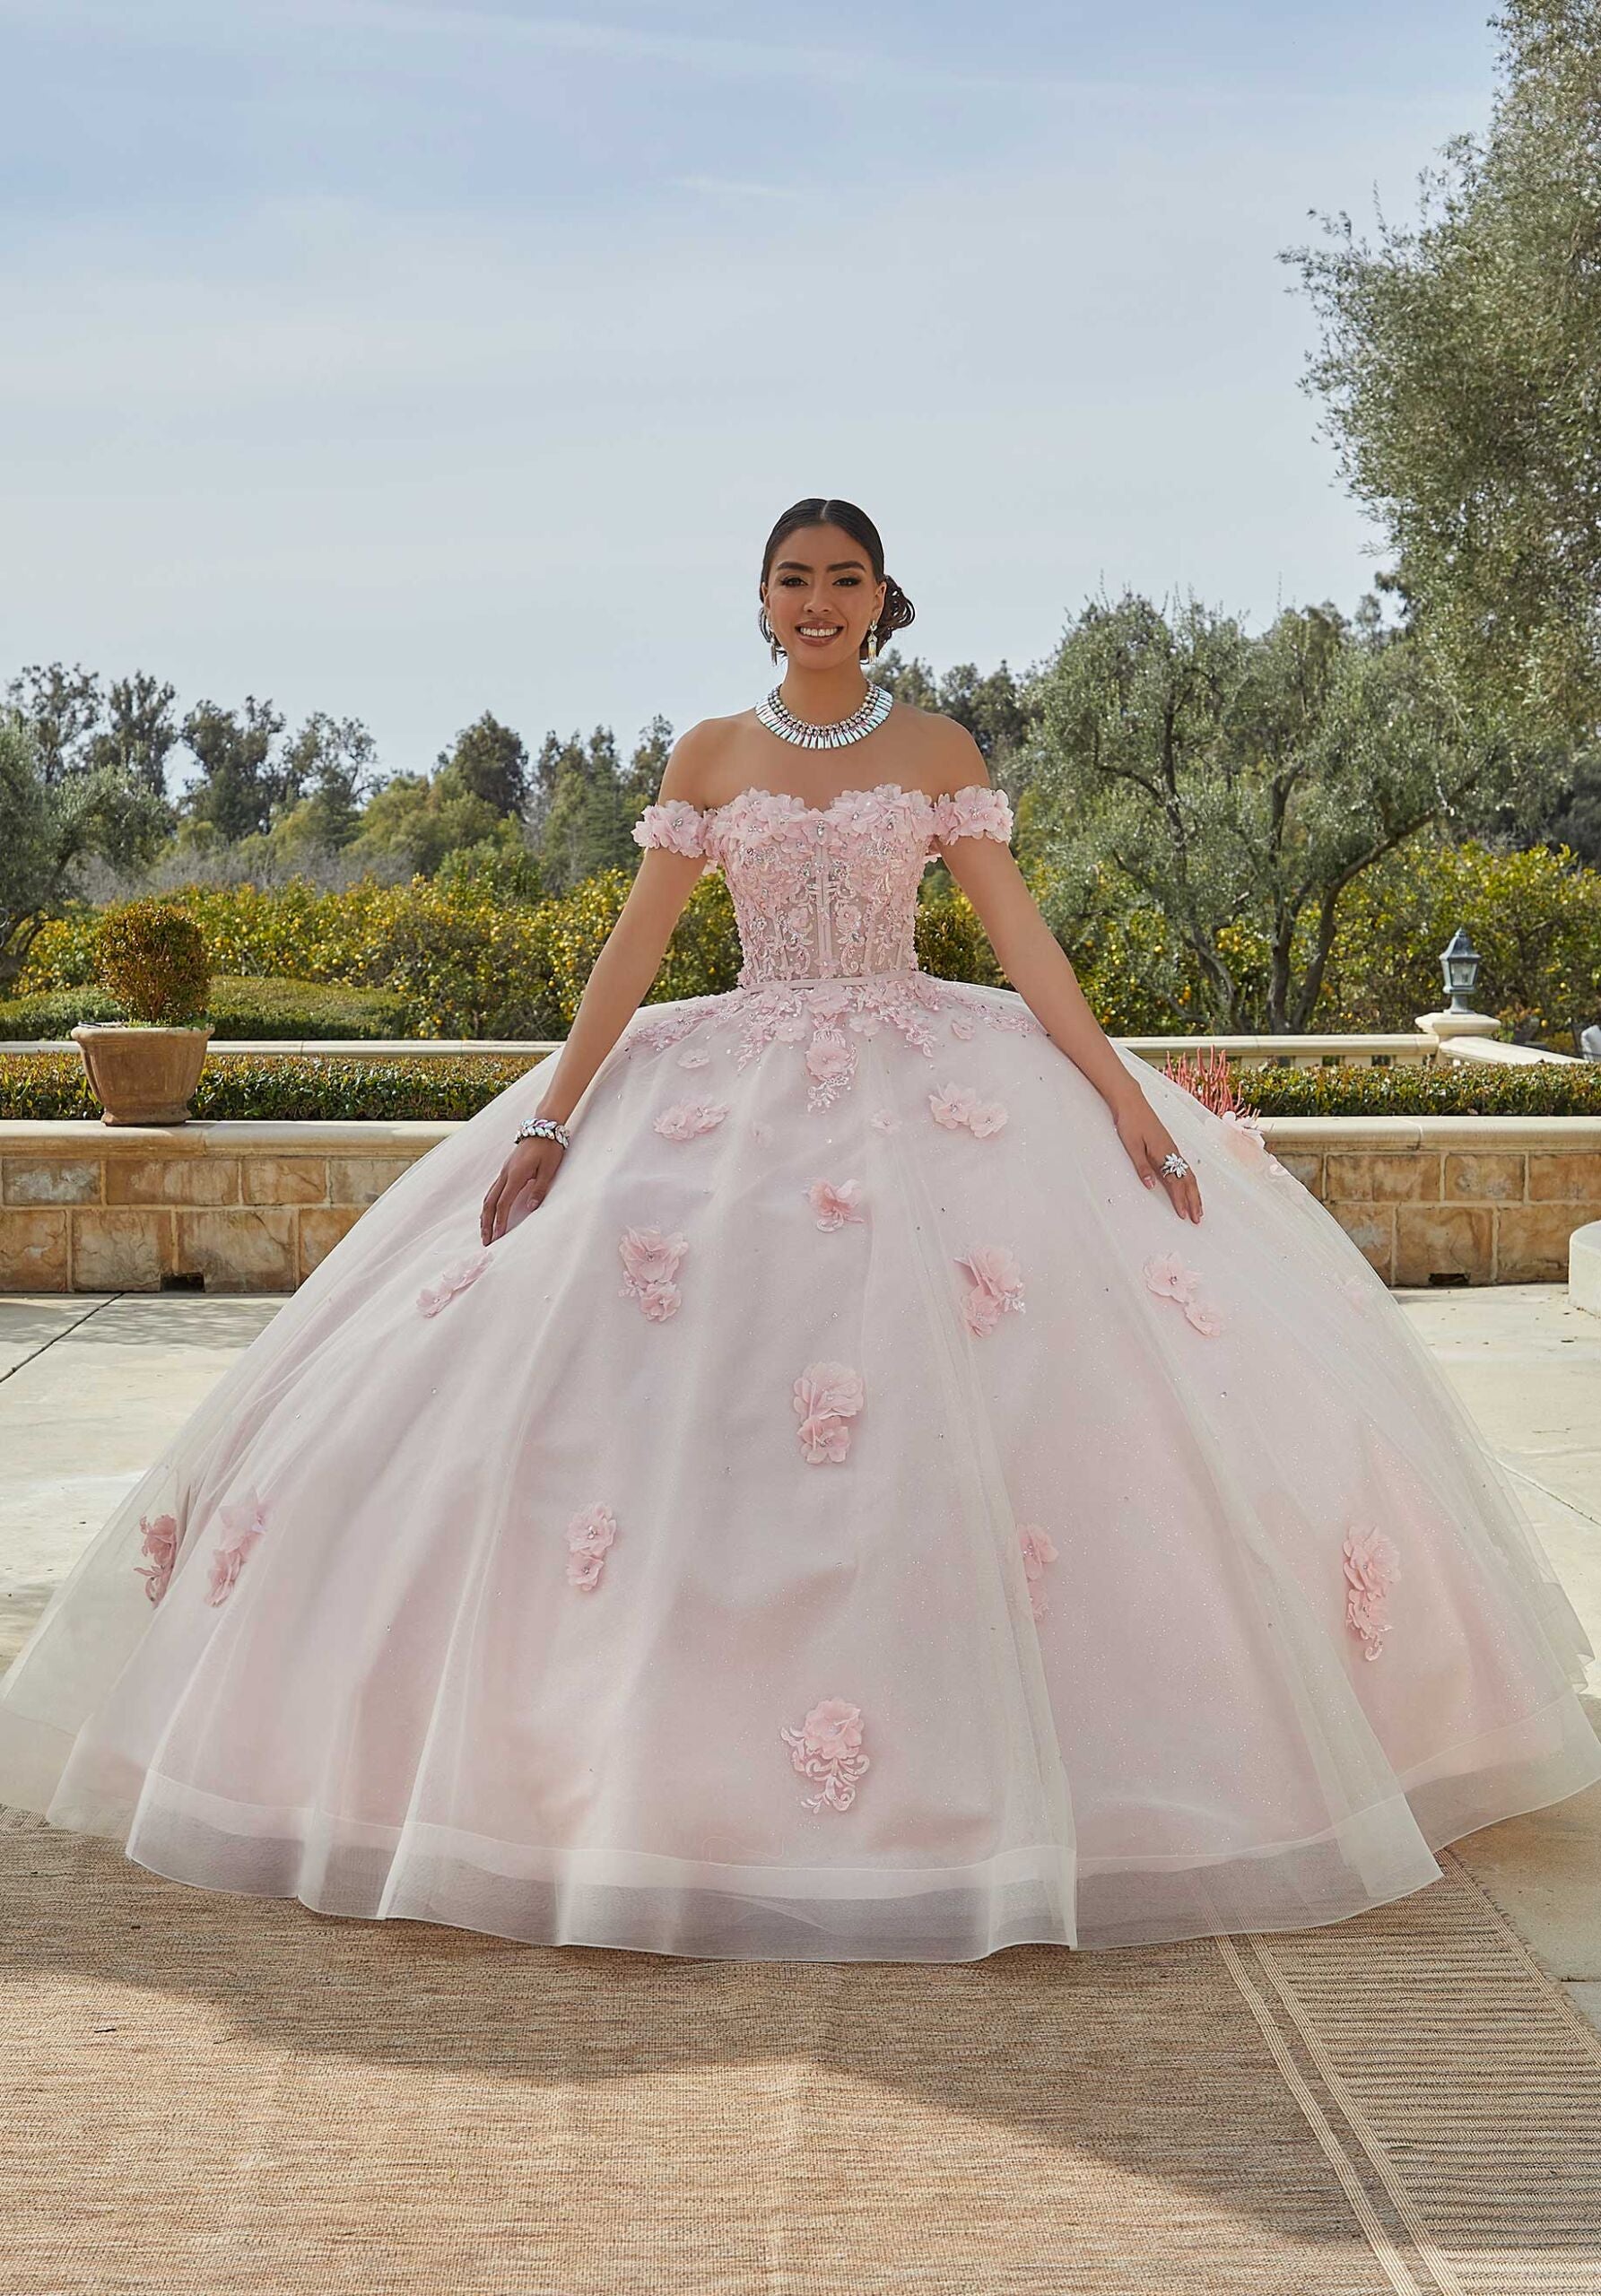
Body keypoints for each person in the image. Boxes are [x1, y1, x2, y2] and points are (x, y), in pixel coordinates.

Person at [1, 496, 1596, 1964]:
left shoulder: (936, 747)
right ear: (760, 603)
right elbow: (626, 962)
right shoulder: (706, 759)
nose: (816, 602)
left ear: (879, 601)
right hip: (730, 1069)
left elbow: (1016, 932)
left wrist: (1114, 1093)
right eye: (792, 580)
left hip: (930, 1072)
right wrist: (553, 1118)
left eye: (842, 580)